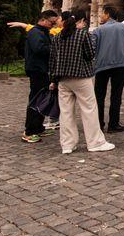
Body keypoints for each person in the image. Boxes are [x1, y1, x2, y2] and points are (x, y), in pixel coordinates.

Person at [49, 9, 115, 154]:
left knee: (66, 113)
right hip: (81, 77)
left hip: (63, 79)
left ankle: (67, 144)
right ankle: (95, 142)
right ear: (83, 21)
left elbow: (52, 61)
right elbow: (90, 54)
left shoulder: (57, 37)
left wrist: (53, 80)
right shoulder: (82, 34)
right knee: (89, 110)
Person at [93, 4, 124, 133]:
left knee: (99, 96)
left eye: (102, 13)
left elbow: (92, 47)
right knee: (116, 95)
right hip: (120, 65)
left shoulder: (98, 30)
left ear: (107, 15)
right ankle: (114, 124)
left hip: (102, 65)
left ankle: (98, 123)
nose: (101, 16)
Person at [22, 11, 59, 143]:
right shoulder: (35, 32)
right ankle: (29, 131)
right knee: (35, 100)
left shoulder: (43, 32)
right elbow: (39, 49)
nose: (53, 25)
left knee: (43, 100)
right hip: (37, 70)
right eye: (52, 22)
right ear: (43, 20)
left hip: (43, 70)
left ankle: (38, 127)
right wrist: (54, 48)